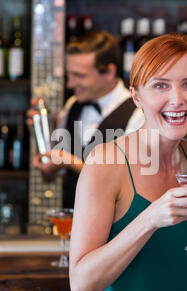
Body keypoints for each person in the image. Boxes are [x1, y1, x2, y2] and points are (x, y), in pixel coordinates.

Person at [69, 33, 187, 291]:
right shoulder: (106, 162)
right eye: (161, 85)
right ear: (136, 96)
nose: (177, 99)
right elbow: (81, 285)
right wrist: (150, 218)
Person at [29, 31, 145, 208]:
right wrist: (42, 137)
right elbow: (50, 177)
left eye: (79, 76)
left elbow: (127, 186)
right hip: (72, 223)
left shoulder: (137, 114)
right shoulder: (72, 106)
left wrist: (69, 161)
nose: (70, 84)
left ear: (108, 72)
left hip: (114, 229)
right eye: (70, 75)